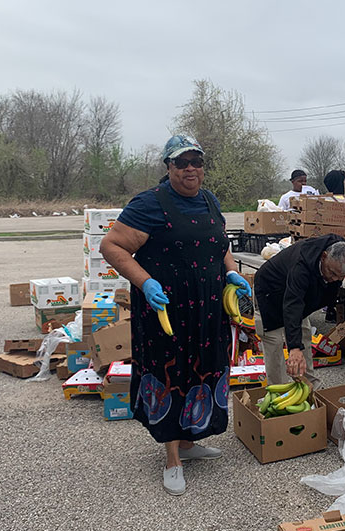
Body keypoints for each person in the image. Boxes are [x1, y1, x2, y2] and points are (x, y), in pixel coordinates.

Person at [100, 134, 252, 496]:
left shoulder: (210, 201)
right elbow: (111, 245)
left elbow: (221, 246)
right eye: (181, 162)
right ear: (168, 167)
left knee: (205, 367)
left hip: (208, 309)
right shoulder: (150, 204)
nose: (190, 169)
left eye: (196, 161)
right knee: (172, 373)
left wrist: (230, 271)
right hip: (166, 310)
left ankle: (188, 441)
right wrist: (145, 282)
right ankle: (172, 458)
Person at [254, 235, 345, 386]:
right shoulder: (302, 265)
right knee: (275, 341)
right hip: (270, 291)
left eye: (341, 277)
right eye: (331, 273)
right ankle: (278, 391)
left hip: (299, 295)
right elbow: (293, 305)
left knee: (304, 336)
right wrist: (294, 348)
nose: (334, 279)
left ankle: (310, 386)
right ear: (324, 256)